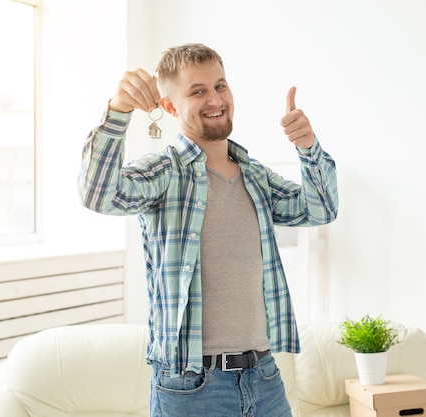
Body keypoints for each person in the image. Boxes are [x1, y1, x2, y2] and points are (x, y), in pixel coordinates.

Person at [78, 43, 338, 417]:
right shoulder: (164, 172)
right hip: (191, 387)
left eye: (220, 85)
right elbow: (98, 194)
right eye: (197, 91)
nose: (215, 99)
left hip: (264, 379)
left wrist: (308, 147)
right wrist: (118, 111)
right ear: (170, 107)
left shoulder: (255, 176)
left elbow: (321, 208)